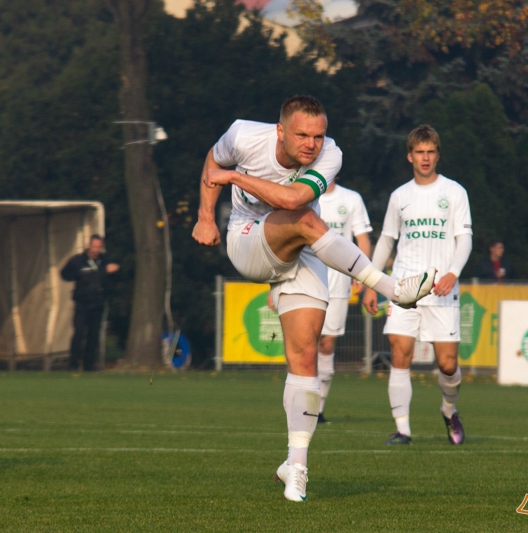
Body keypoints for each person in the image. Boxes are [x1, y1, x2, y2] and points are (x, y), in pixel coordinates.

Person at [191, 96, 436, 502]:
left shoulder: (330, 154)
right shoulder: (243, 134)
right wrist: (204, 215)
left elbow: (288, 199)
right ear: (280, 131)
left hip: (301, 251)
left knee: (305, 359)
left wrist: (232, 178)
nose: (311, 144)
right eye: (302, 134)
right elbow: (212, 161)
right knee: (308, 220)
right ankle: (393, 288)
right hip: (247, 240)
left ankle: (296, 467)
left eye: (318, 135)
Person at [362, 125, 473, 447]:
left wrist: (453, 272)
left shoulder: (454, 192)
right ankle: (403, 429)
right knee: (400, 353)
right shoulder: (400, 196)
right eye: (419, 152)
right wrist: (371, 282)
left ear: (437, 155)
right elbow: (386, 240)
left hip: (442, 288)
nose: (425, 158)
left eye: (431, 152)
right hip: (404, 286)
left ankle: (449, 410)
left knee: (448, 364)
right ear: (410, 156)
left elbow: (464, 239)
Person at [316, 180, 372, 423]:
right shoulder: (301, 192)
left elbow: (363, 241)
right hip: (304, 278)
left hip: (337, 285)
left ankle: (316, 410)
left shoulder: (351, 199)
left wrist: (364, 274)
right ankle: (300, 407)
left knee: (326, 345)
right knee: (304, 346)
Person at [61, 235, 120, 371]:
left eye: (99, 247)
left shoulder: (104, 261)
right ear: (89, 245)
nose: (96, 250)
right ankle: (73, 363)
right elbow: (65, 274)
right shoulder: (78, 261)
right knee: (79, 333)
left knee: (94, 335)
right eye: (94, 247)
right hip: (82, 304)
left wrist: (115, 270)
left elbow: (115, 277)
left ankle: (89, 364)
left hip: (98, 304)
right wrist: (77, 275)